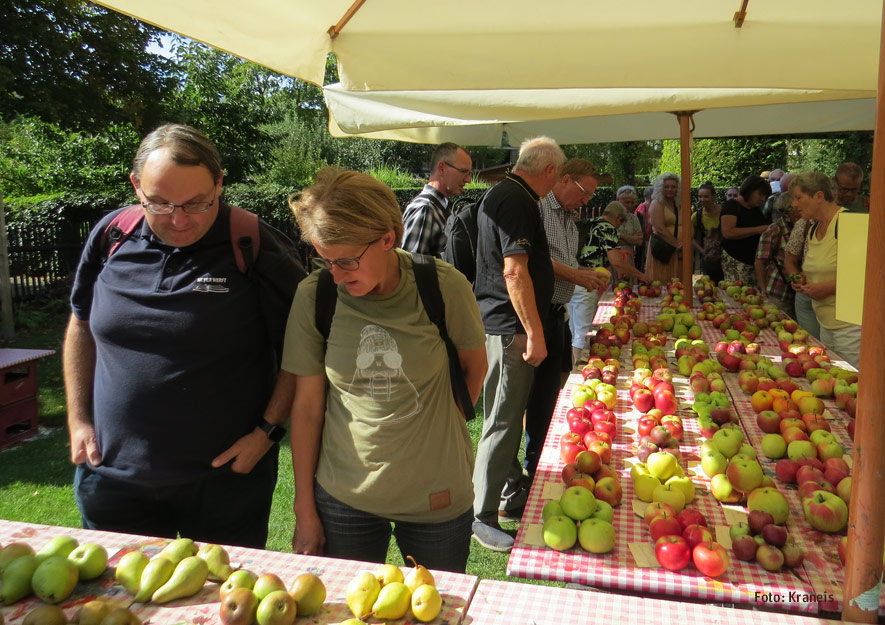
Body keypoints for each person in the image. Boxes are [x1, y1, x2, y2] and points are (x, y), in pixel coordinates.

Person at [64, 124, 305, 548]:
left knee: (222, 593)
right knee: (115, 592)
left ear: (219, 183)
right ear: (136, 186)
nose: (178, 220)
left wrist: (267, 433)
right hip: (113, 479)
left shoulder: (251, 243)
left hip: (223, 484)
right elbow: (80, 324)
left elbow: (302, 349)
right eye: (159, 203)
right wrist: (78, 420)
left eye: (196, 203)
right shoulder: (112, 235)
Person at [285, 167, 487, 572]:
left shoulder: (443, 286)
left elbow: (475, 369)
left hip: (436, 496)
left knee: (436, 602)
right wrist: (304, 506)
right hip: (344, 497)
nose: (336, 276)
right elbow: (306, 408)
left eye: (347, 261)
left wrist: (434, 425)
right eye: (325, 260)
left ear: (387, 238)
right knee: (350, 604)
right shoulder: (315, 295)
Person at [472, 136, 562, 553]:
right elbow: (514, 272)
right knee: (503, 421)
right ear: (549, 170)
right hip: (511, 329)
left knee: (504, 417)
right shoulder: (519, 200)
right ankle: (481, 516)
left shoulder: (505, 192)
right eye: (557, 176)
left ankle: (510, 493)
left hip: (503, 326)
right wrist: (534, 332)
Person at [520, 159, 609, 491]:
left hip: (557, 314)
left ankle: (537, 463)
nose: (586, 201)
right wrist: (575, 274)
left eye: (590, 197)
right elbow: (532, 258)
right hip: (537, 314)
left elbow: (561, 261)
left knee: (548, 395)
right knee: (527, 396)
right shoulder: (540, 209)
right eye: (584, 192)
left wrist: (581, 274)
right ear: (566, 179)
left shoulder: (568, 219)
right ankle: (522, 473)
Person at [788, 172, 861, 367]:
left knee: (852, 379)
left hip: (851, 328)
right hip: (826, 324)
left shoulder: (849, 222)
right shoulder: (813, 229)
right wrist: (800, 279)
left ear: (818, 196)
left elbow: (861, 277)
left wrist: (825, 288)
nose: (794, 204)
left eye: (799, 198)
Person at [569, 202, 650, 364]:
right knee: (582, 329)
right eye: (621, 223)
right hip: (588, 281)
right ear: (619, 219)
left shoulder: (589, 223)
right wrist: (641, 275)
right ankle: (576, 366)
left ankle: (569, 362)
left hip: (571, 276)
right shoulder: (608, 228)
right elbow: (617, 262)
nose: (619, 227)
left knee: (572, 325)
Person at [401, 143, 473, 256]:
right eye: (463, 171)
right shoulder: (425, 210)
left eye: (469, 173)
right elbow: (411, 264)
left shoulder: (441, 207)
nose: (468, 180)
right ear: (441, 168)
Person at [755, 173, 798, 319]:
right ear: (788, 210)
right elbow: (760, 261)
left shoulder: (804, 229)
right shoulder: (775, 230)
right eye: (796, 208)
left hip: (797, 293)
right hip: (777, 291)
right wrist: (763, 290)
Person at [720, 175, 771, 287]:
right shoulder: (731, 206)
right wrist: (758, 230)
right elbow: (728, 232)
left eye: (765, 197)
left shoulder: (756, 209)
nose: (763, 199)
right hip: (736, 260)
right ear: (750, 190)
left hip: (753, 263)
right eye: (760, 195)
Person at [644, 173, 683, 284]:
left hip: (680, 250)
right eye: (666, 187)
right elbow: (660, 228)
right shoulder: (657, 204)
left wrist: (685, 243)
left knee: (679, 282)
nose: (670, 189)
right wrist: (677, 245)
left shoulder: (680, 204)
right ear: (661, 188)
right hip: (664, 248)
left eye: (673, 186)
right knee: (662, 281)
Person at [691, 181, 724, 284]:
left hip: (725, 258)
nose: (702, 199)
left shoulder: (724, 212)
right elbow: (690, 237)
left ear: (714, 197)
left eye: (706, 196)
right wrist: (703, 251)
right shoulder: (697, 216)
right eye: (700, 197)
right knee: (709, 286)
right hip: (709, 260)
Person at [613, 185, 644, 281]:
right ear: (618, 200)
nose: (630, 205)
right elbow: (612, 240)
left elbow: (639, 241)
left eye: (632, 203)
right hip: (613, 259)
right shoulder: (610, 217)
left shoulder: (633, 218)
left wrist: (620, 235)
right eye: (627, 202)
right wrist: (631, 238)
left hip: (629, 259)